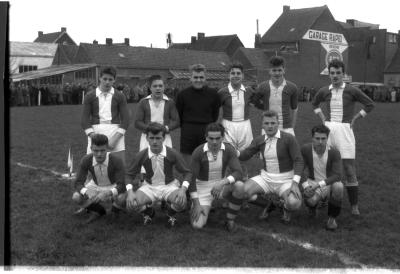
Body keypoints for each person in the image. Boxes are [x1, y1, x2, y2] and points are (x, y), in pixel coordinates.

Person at [312, 59, 374, 216]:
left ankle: (354, 205)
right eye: (332, 73)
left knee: (348, 169)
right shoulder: (324, 90)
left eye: (338, 73)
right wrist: (322, 118)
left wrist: (356, 118)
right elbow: (314, 103)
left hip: (345, 131)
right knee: (325, 167)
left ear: (343, 74)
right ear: (329, 74)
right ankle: (324, 196)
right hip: (329, 130)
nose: (335, 76)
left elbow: (370, 104)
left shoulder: (352, 90)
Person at [236, 110, 303, 223]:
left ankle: (285, 208)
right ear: (262, 125)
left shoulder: (289, 138)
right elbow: (245, 155)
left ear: (278, 123)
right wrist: (234, 152)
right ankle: (268, 204)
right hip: (266, 178)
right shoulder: (259, 140)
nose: (270, 126)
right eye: (266, 123)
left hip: (285, 180)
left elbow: (298, 160)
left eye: (273, 123)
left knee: (294, 203)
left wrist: (295, 183)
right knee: (242, 192)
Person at [123, 122, 191, 227]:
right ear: (147, 138)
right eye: (152, 138)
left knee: (182, 202)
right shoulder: (141, 155)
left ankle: (170, 212)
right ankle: (148, 212)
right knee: (131, 205)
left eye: (158, 138)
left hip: (169, 186)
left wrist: (183, 189)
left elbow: (187, 172)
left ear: (164, 138)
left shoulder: (172, 153)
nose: (154, 142)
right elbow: (128, 174)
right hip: (149, 187)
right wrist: (130, 192)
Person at [189, 123, 244, 231]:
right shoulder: (198, 152)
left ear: (223, 138)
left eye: (218, 138)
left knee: (240, 186)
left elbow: (238, 173)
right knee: (197, 225)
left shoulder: (229, 149)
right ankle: (195, 206)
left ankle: (230, 220)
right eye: (211, 138)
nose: (214, 142)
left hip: (221, 186)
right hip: (202, 189)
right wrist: (196, 203)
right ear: (206, 137)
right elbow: (191, 180)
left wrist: (222, 182)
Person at [72, 134, 126, 224]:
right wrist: (86, 191)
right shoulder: (86, 160)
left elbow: (122, 184)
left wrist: (108, 193)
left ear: (107, 148)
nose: (99, 154)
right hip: (95, 185)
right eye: (95, 151)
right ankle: (98, 211)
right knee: (76, 197)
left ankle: (115, 210)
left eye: (102, 150)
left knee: (122, 198)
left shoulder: (116, 160)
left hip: (112, 185)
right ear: (91, 148)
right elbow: (78, 183)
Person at [81, 67, 130, 163]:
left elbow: (126, 120)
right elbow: (84, 120)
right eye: (105, 79)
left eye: (110, 79)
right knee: (92, 167)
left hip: (115, 132)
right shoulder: (90, 96)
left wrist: (115, 139)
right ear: (100, 78)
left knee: (118, 166)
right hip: (95, 131)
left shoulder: (120, 96)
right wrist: (94, 136)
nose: (107, 82)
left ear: (114, 80)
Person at [176, 64, 221, 165]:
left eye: (201, 77)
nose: (198, 80)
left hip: (206, 129)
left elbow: (215, 114)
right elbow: (179, 113)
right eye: (195, 77)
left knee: (205, 158)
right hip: (188, 130)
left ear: (205, 78)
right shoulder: (182, 95)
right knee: (187, 160)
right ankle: (189, 179)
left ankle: (204, 179)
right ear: (190, 78)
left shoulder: (213, 94)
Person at [300, 124, 343, 230]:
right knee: (311, 200)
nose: (320, 142)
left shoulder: (334, 152)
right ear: (312, 138)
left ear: (327, 138)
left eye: (323, 139)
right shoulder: (305, 149)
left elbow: (338, 175)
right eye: (317, 138)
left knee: (339, 187)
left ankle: (331, 219)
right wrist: (306, 186)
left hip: (328, 183)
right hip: (312, 181)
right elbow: (299, 169)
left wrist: (318, 185)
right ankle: (312, 208)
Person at [218, 62, 254, 179]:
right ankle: (227, 180)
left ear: (243, 76)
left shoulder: (249, 91)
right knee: (229, 154)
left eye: (238, 73)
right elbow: (214, 109)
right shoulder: (222, 92)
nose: (235, 75)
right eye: (232, 73)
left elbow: (260, 103)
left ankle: (244, 178)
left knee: (243, 155)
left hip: (245, 125)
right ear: (229, 75)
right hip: (228, 125)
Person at [251, 55, 298, 136]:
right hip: (267, 127)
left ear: (284, 70)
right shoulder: (262, 87)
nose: (277, 73)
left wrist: (292, 127)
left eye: (279, 70)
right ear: (270, 71)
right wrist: (264, 107)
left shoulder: (292, 87)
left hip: (286, 128)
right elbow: (253, 102)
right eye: (274, 70)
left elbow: (295, 109)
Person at [135, 75, 180, 150]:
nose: (158, 88)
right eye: (155, 86)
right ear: (150, 88)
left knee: (166, 160)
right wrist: (150, 129)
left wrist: (165, 128)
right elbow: (137, 122)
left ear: (164, 87)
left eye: (160, 86)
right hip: (147, 137)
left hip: (164, 136)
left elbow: (176, 121)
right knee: (146, 160)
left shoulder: (170, 102)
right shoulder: (143, 102)